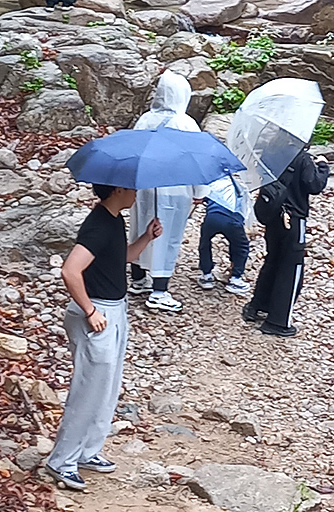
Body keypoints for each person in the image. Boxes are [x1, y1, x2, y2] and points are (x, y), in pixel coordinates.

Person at [43, 184, 162, 492]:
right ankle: (61, 460)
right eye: (132, 187)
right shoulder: (98, 224)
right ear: (118, 189)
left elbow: (118, 258)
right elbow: (71, 271)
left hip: (115, 309)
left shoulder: (114, 219)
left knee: (107, 387)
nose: (137, 192)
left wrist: (147, 238)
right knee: (88, 389)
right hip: (97, 314)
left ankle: (87, 451)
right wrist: (90, 310)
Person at [129, 72, 206, 313]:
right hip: (174, 188)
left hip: (143, 186)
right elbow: (197, 160)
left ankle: (138, 279)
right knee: (167, 236)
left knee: (139, 228)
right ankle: (159, 291)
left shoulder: (145, 120)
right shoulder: (185, 124)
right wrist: (200, 191)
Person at [242, 147, 329, 337]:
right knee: (291, 269)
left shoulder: (270, 152)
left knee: (273, 259)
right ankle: (278, 321)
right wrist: (323, 167)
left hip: (273, 214)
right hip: (293, 219)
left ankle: (257, 306)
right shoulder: (301, 158)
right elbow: (314, 185)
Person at [198, 174, 252, 296]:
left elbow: (201, 198)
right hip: (233, 220)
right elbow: (245, 210)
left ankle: (206, 275)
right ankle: (235, 279)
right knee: (241, 245)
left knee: (205, 242)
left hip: (212, 218)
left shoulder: (212, 184)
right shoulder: (240, 187)